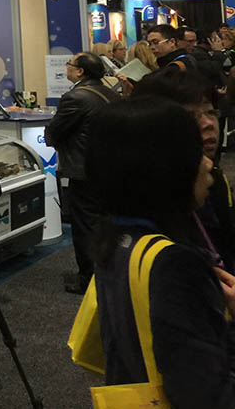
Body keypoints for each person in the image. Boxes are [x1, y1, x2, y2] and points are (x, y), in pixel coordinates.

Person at [87, 97, 235, 408]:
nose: (208, 163)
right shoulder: (176, 265)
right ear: (166, 169)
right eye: (195, 153)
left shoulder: (116, 237)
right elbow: (207, 393)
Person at [134, 68, 235, 269]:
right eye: (190, 116)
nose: (208, 124)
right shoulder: (147, 204)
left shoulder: (214, 177)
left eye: (210, 112)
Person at [44, 52, 118, 294]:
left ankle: (88, 278)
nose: (66, 67)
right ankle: (107, 273)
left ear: (80, 72)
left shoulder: (75, 97)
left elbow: (55, 131)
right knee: (104, 222)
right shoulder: (110, 93)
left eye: (70, 64)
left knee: (85, 226)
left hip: (83, 170)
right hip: (108, 168)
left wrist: (49, 136)